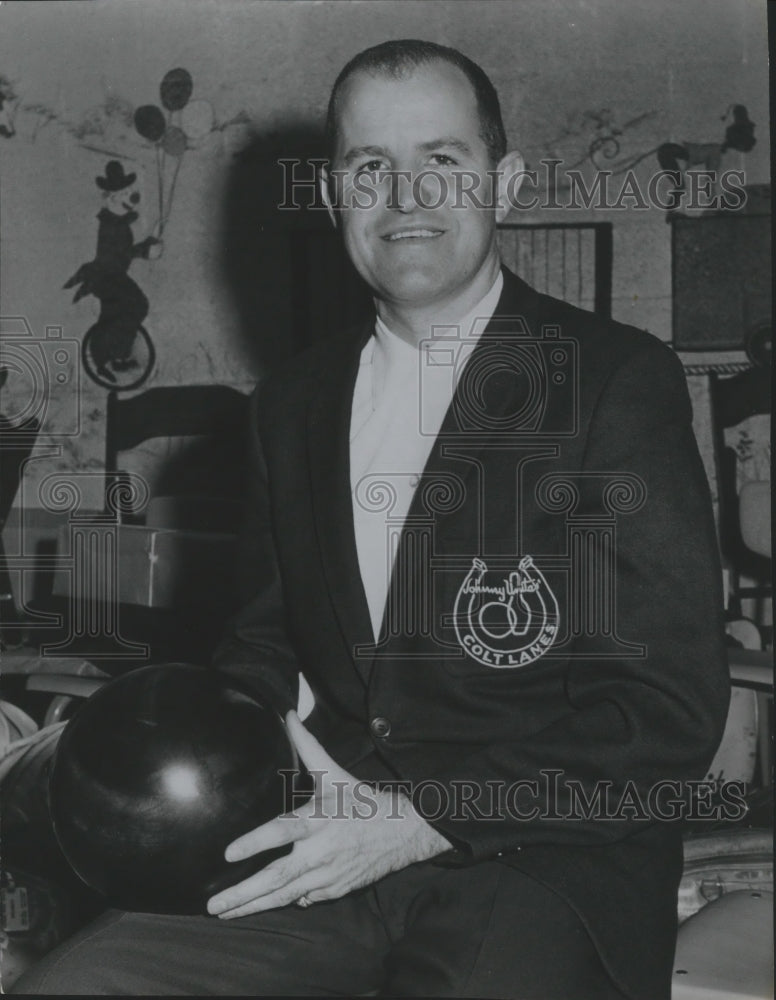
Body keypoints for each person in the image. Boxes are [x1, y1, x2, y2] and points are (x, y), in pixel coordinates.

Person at [15, 39, 729, 999]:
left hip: (538, 860)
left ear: (504, 184)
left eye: (443, 161)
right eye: (369, 167)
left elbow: (668, 717)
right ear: (332, 196)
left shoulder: (613, 381)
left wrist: (418, 817)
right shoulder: (292, 403)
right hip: (325, 835)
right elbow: (263, 648)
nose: (408, 197)